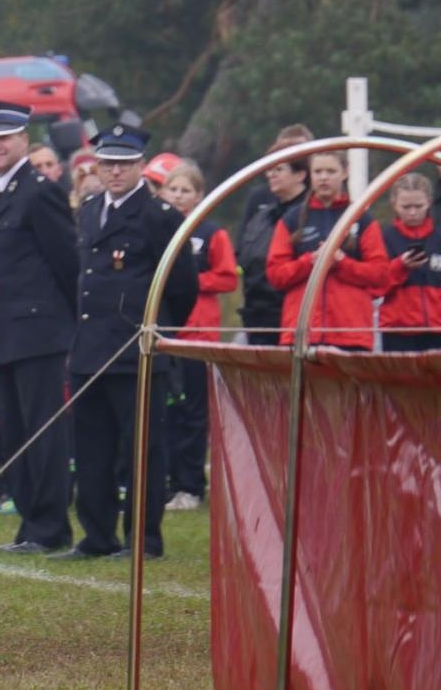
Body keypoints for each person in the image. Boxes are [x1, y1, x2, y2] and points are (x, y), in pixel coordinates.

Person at [59, 124, 197, 561]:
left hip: (133, 351)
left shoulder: (160, 217)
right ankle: (97, 535)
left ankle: (143, 539)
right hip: (89, 350)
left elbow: (181, 286)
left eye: (124, 163)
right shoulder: (89, 208)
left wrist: (157, 333)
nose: (115, 171)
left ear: (140, 165)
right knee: (92, 448)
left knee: (141, 451)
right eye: (108, 163)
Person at [0, 101, 78, 555]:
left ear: (23, 139)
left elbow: (66, 261)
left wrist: (70, 324)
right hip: (5, 333)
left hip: (39, 332)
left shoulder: (39, 190)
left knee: (42, 433)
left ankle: (51, 526)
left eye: (5, 137)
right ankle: (32, 523)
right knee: (15, 432)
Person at [156, 162, 237, 511]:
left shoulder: (211, 233)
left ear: (199, 196)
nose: (178, 196)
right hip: (164, 333)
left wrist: (188, 282)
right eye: (173, 189)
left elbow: (227, 278)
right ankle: (170, 482)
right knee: (166, 412)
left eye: (185, 190)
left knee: (192, 412)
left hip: (198, 334)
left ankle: (191, 485)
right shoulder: (155, 229)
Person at [266, 149, 389, 351]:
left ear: (344, 172)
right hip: (302, 332)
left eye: (331, 171)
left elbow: (380, 274)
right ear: (310, 175)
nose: (324, 177)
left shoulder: (362, 218)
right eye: (318, 171)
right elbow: (276, 274)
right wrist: (310, 262)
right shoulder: (292, 219)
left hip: (351, 334)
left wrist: (341, 263)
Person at [235, 125, 313, 345]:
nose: (270, 174)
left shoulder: (313, 214)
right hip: (257, 315)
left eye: (278, 169)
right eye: (269, 169)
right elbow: (244, 256)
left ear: (300, 174)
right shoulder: (262, 214)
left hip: (294, 318)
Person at [379, 173, 441, 351]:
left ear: (429, 202)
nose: (413, 212)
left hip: (439, 328)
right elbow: (376, 286)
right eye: (406, 207)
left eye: (418, 206)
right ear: (394, 204)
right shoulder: (385, 238)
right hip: (398, 330)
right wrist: (400, 267)